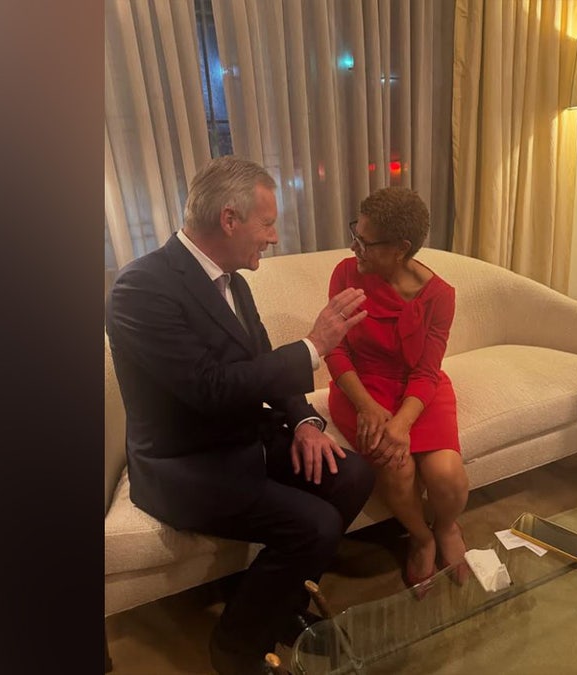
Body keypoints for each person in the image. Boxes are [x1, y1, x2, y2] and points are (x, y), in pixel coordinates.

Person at [105, 156, 376, 675]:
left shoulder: (233, 278)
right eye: (267, 223)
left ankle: (280, 603)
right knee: (314, 525)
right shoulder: (140, 289)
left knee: (354, 473)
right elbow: (209, 389)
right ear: (229, 219)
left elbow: (260, 358)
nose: (273, 237)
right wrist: (315, 345)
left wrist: (303, 422)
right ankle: (234, 649)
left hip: (244, 435)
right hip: (187, 461)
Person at [324, 187, 470, 587]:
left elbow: (427, 371)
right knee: (396, 465)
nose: (355, 247)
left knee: (446, 474)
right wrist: (367, 407)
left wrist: (403, 422)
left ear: (401, 248)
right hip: (360, 386)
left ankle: (446, 527)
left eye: (365, 242)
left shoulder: (440, 296)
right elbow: (334, 351)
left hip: (419, 391)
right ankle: (421, 539)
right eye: (356, 233)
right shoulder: (346, 273)